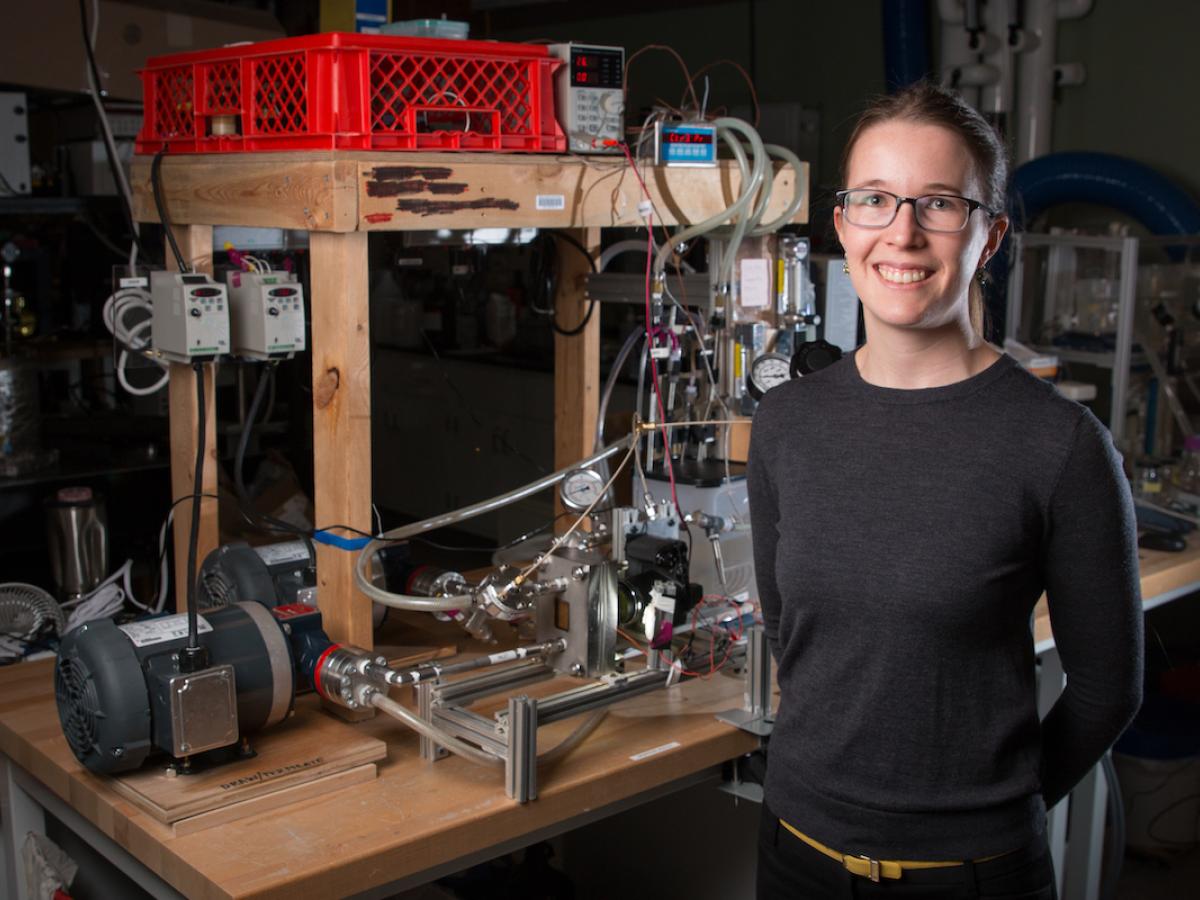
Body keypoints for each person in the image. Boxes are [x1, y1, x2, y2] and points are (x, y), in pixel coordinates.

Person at [748, 81, 1143, 899]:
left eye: (938, 204)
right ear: (841, 223)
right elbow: (797, 642)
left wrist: (995, 819)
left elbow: (1108, 692)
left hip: (970, 877)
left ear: (990, 235)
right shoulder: (787, 425)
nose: (902, 232)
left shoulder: (1059, 445)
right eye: (875, 200)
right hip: (797, 857)